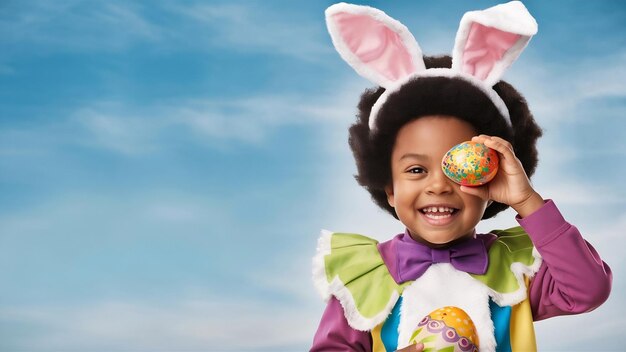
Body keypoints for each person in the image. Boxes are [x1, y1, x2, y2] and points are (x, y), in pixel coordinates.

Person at [311, 2, 612, 351]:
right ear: (389, 188)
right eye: (416, 170)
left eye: (458, 169)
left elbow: (589, 290)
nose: (438, 185)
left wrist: (527, 200)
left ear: (490, 183)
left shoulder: (515, 265)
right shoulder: (363, 277)